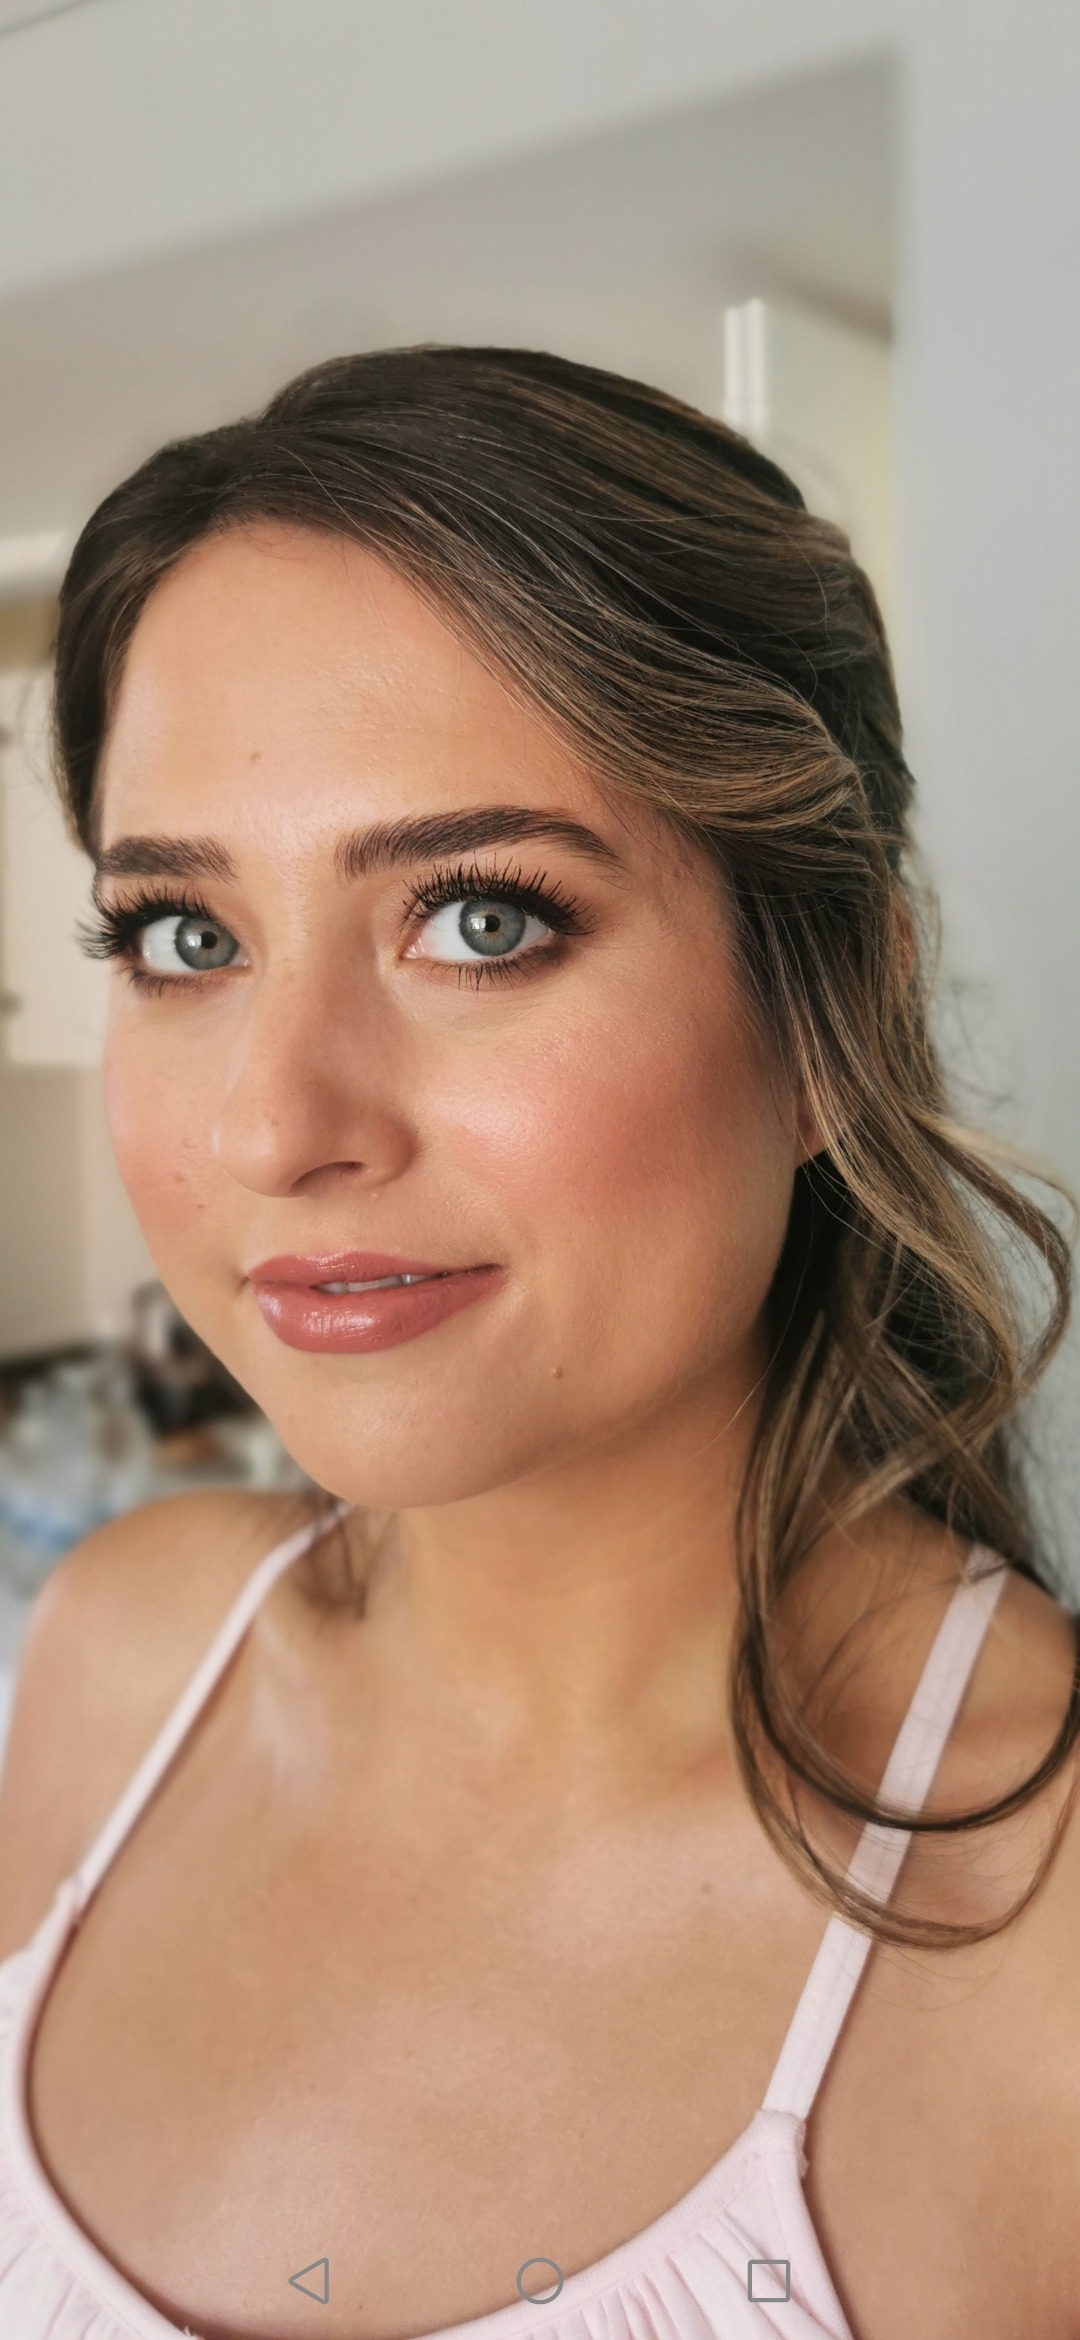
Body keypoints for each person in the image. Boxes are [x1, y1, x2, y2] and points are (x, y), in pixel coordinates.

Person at [0, 346, 1076, 2340]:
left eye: (479, 920)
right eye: (185, 938)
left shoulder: (1047, 1926)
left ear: (835, 1009)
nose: (277, 1125)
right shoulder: (118, 1664)